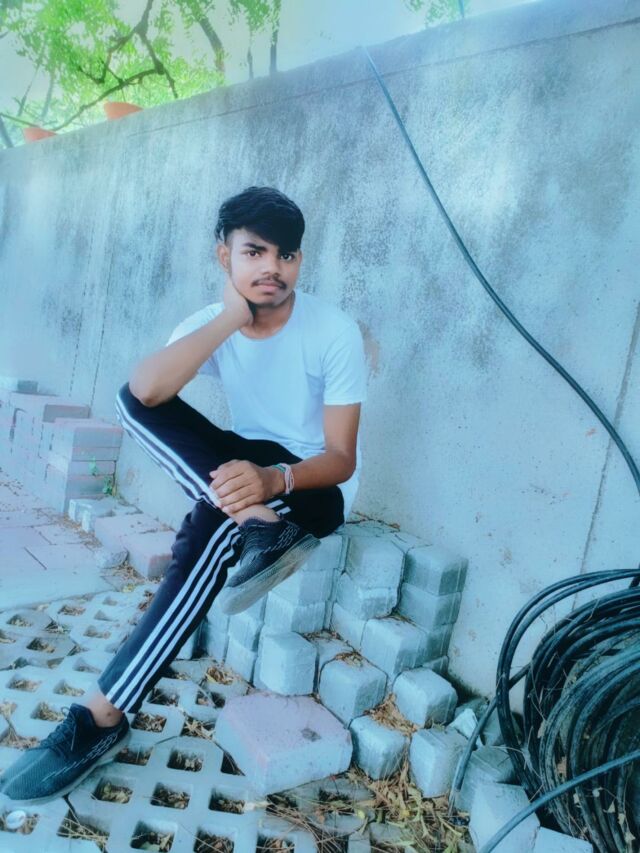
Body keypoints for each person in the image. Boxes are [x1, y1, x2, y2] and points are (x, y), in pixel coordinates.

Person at [0, 185, 368, 808]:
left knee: (206, 530)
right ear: (224, 256)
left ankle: (100, 717)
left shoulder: (334, 331)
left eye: (286, 255)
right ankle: (254, 521)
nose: (272, 268)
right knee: (132, 398)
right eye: (254, 252)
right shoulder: (213, 322)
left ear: (300, 261)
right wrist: (230, 318)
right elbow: (145, 392)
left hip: (311, 486)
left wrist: (273, 481)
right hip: (252, 466)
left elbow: (341, 459)